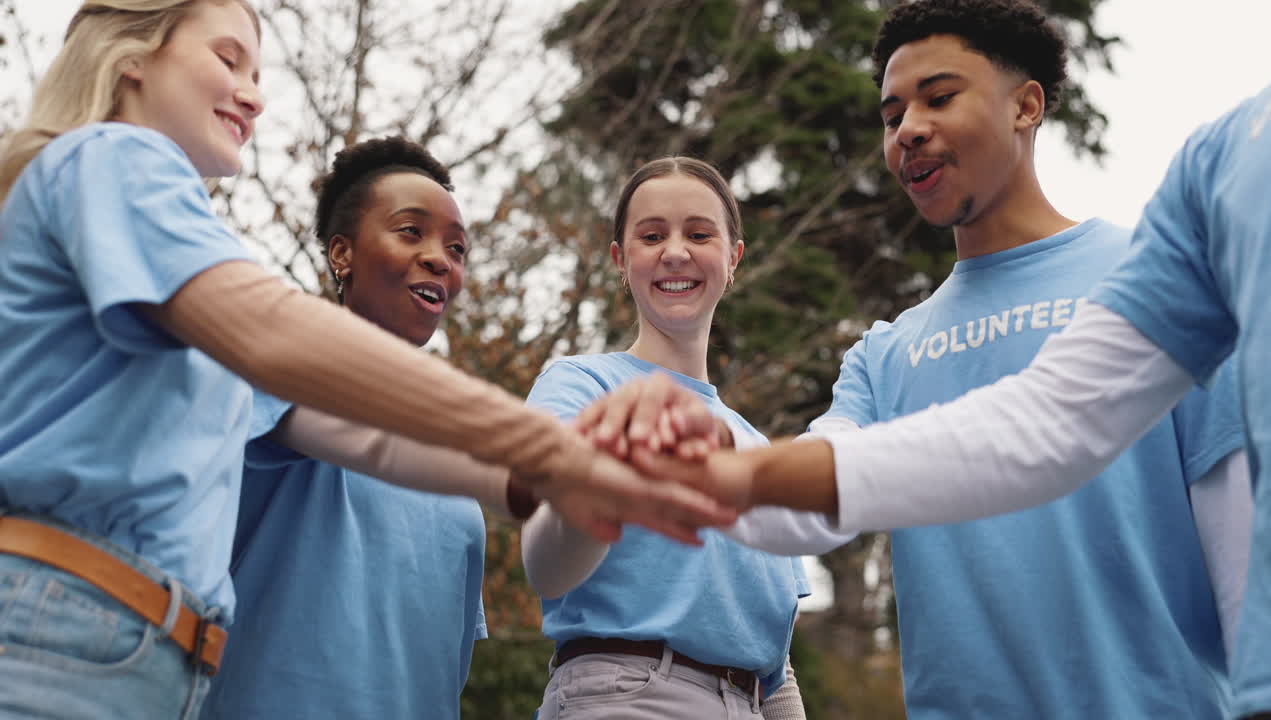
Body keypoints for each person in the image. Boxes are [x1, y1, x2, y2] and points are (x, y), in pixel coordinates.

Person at [0, 2, 735, 717]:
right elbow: (275, 335)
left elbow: (367, 436)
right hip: (68, 622)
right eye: (229, 59)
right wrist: (552, 450)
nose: (253, 94)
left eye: (260, 73)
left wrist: (560, 477)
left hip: (144, 656)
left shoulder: (176, 287)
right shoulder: (114, 155)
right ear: (132, 54)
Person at [575, 2, 1252, 717]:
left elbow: (1241, 538)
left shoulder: (1160, 284)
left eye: (939, 97)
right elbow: (803, 518)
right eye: (892, 114)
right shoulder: (884, 353)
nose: (909, 132)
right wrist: (701, 454)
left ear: (1026, 106)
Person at [200, 137, 497, 719]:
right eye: (411, 231)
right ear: (343, 253)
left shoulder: (460, 484)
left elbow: (440, 674)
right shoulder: (278, 371)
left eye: (456, 247)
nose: (441, 258)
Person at [520, 157, 809, 720]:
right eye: (652, 236)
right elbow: (547, 561)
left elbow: (775, 665)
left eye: (699, 234)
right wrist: (604, 476)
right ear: (620, 261)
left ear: (734, 260)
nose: (675, 251)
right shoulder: (582, 385)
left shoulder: (756, 448)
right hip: (629, 695)